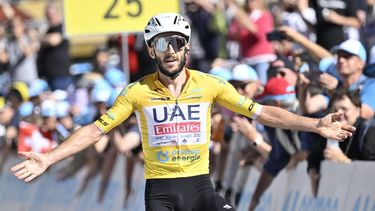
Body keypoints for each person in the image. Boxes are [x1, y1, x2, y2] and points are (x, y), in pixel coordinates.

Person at [11, 13, 355, 211]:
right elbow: (95, 130)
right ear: (151, 50)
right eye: (162, 44)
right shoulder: (137, 92)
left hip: (201, 188)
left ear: (187, 47)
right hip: (160, 193)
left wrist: (315, 124)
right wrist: (48, 158)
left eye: (177, 42)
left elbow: (262, 113)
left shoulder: (211, 85)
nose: (171, 50)